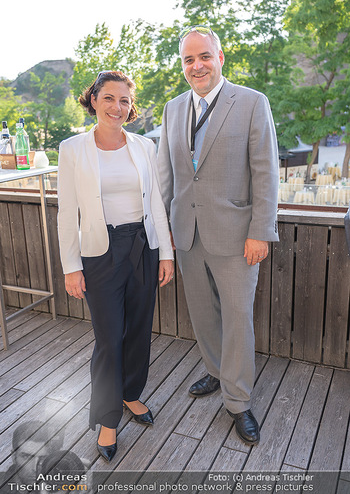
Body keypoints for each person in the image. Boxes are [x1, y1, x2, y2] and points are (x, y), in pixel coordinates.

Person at [157, 26, 279, 446]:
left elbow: (266, 171)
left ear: (220, 58)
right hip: (186, 235)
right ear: (183, 65)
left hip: (237, 236)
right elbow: (165, 176)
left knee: (238, 319)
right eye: (189, 59)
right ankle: (214, 370)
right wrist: (163, 232)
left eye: (204, 56)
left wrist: (261, 231)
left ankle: (238, 401)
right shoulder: (173, 110)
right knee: (204, 314)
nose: (197, 66)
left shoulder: (251, 102)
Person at [57, 70, 174, 462]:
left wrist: (167, 253)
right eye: (109, 98)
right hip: (99, 254)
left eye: (124, 100)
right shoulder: (73, 149)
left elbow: (156, 202)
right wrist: (71, 266)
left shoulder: (144, 146)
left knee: (139, 329)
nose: (117, 107)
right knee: (109, 339)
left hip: (143, 246)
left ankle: (131, 394)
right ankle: (108, 418)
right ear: (94, 100)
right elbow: (65, 212)